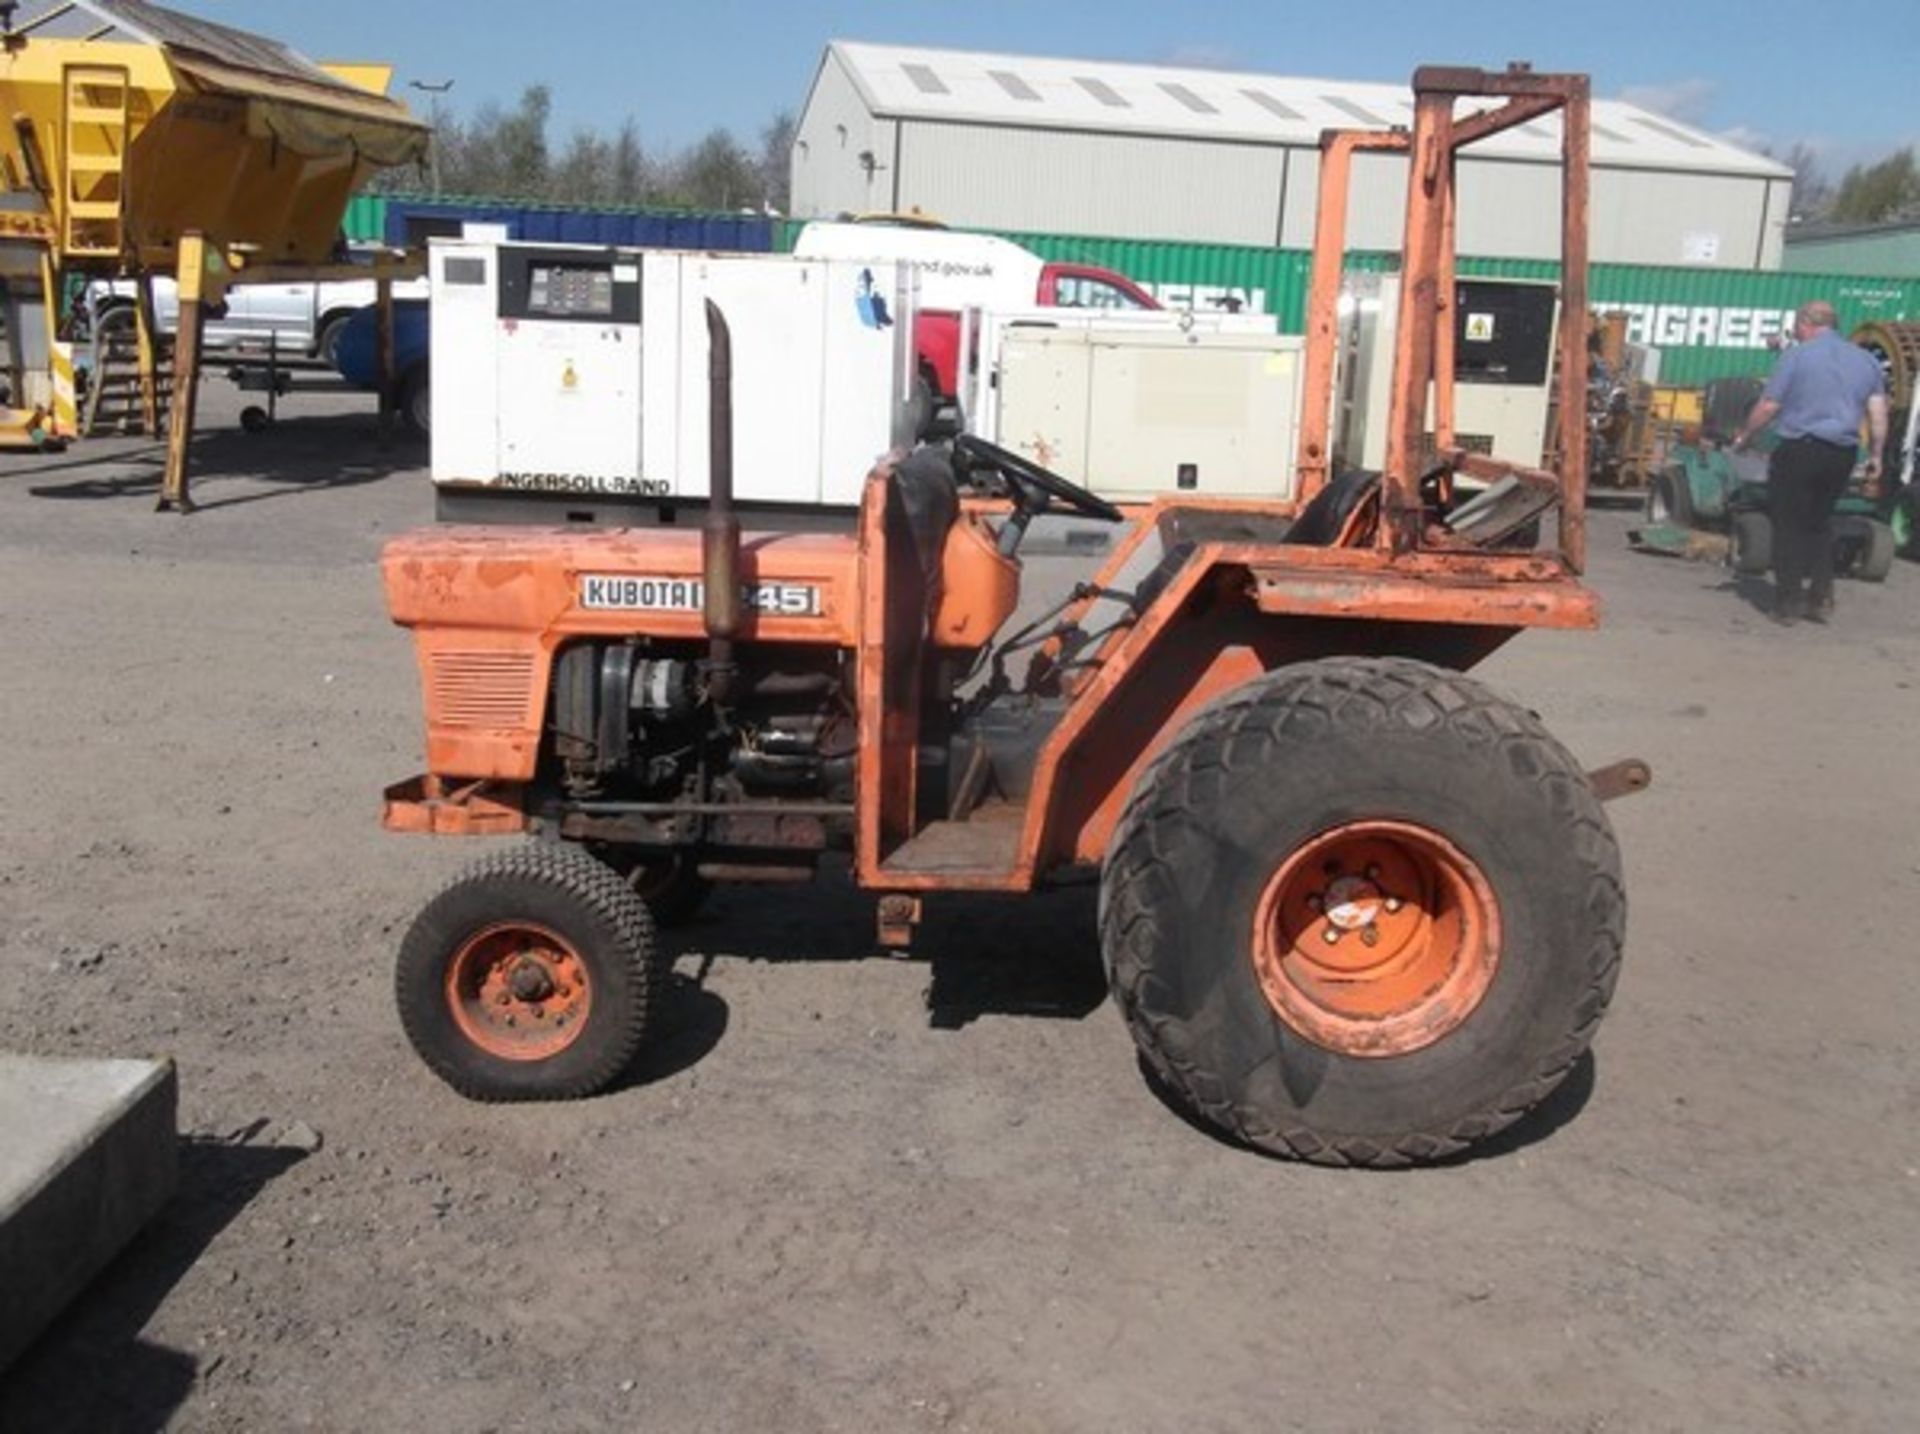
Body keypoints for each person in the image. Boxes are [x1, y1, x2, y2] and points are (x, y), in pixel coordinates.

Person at [1732, 301, 1888, 625]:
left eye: (1796, 327)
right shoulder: (1866, 361)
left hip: (1801, 448)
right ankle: (1820, 597)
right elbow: (1878, 415)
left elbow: (1770, 404)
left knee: (1789, 524)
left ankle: (1788, 602)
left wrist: (1744, 435)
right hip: (1842, 453)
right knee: (1820, 522)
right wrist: (1875, 456)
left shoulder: (1798, 356)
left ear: (1806, 323)